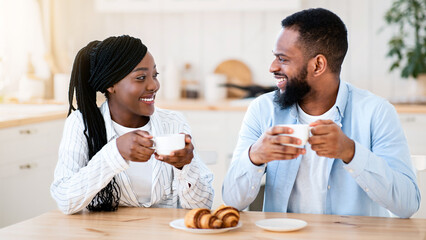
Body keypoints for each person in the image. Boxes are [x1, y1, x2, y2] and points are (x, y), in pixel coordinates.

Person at [222, 8, 420, 218]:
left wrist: (351, 153)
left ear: (318, 65)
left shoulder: (376, 112)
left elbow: (407, 205)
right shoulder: (263, 109)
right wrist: (254, 156)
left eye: (283, 59)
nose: (272, 67)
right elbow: (232, 201)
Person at [50, 35, 214, 214]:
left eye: (155, 75)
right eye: (141, 77)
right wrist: (115, 152)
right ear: (111, 85)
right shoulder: (82, 124)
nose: (154, 85)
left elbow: (202, 206)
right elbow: (65, 201)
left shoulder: (174, 123)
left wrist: (185, 167)